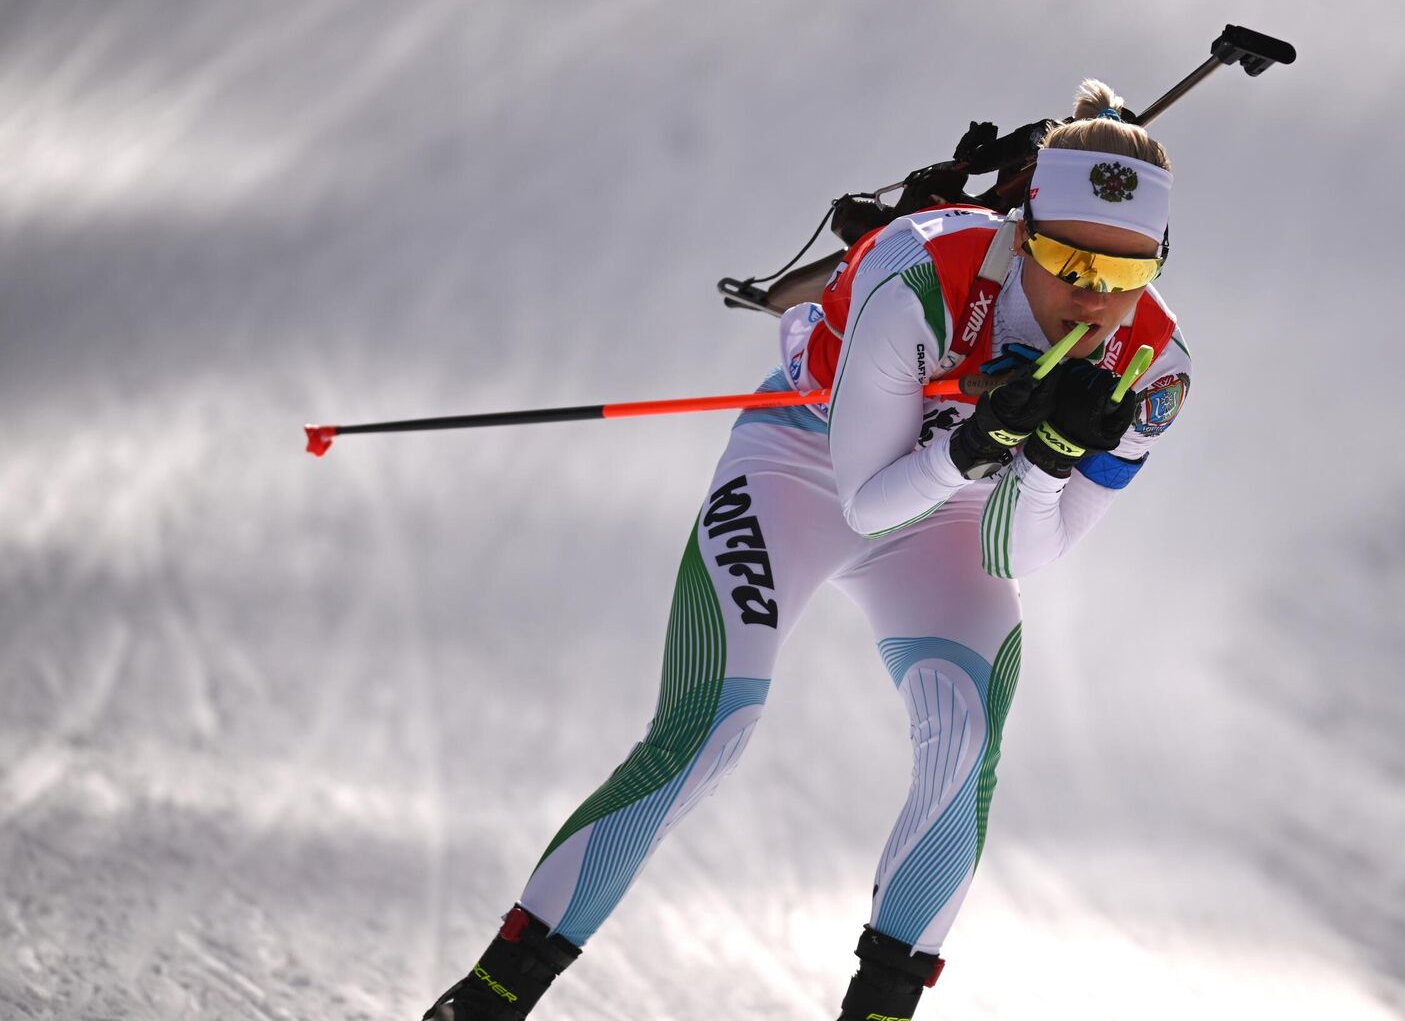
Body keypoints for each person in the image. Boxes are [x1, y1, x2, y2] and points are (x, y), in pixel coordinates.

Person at [423, 78, 1196, 1020]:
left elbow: (1017, 557)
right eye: (1070, 261)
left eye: (1126, 272)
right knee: (709, 728)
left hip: (952, 515)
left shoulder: (1155, 362)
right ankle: (485, 1002)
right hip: (806, 469)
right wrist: (971, 446)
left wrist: (1045, 463)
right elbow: (867, 502)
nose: (1094, 297)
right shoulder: (920, 273)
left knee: (963, 744)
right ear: (1022, 230)